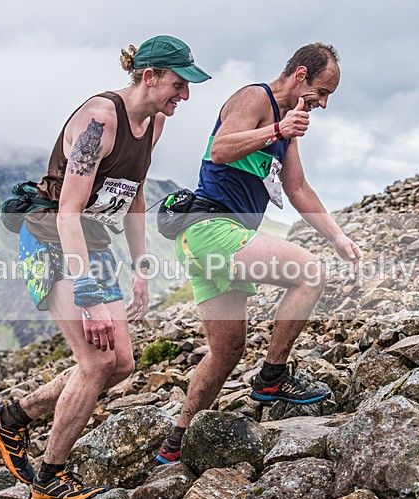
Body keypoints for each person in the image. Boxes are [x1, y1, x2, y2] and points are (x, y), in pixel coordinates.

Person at [0, 35, 210, 499]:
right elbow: (67, 210)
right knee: (97, 362)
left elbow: (135, 197)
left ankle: (12, 417)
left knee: (121, 364)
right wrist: (86, 297)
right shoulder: (100, 119)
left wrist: (141, 268)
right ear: (149, 77)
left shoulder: (153, 124)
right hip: (50, 234)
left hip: (94, 239)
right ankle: (50, 479)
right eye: (178, 83)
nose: (183, 96)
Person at [156, 43, 363, 463]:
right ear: (300, 74)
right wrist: (276, 131)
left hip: (208, 243)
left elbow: (298, 188)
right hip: (211, 229)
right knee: (311, 273)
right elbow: (220, 148)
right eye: (321, 92)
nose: (322, 104)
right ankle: (272, 377)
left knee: (227, 351)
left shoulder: (289, 126)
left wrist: (338, 237)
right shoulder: (255, 98)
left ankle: (175, 445)